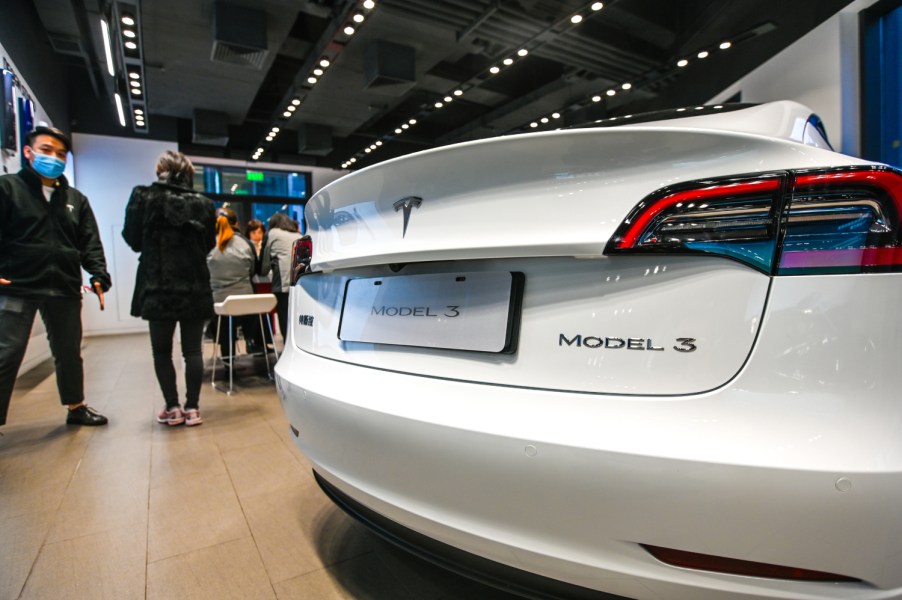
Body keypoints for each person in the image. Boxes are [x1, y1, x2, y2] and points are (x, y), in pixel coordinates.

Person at [0, 126, 111, 427]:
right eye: (46, 150)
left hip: (63, 285)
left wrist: (99, 274)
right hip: (18, 284)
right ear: (28, 151)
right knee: (6, 354)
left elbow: (90, 242)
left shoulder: (75, 199)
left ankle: (76, 407)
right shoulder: (8, 188)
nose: (54, 158)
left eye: (60, 154)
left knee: (68, 352)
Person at [122, 151, 215, 427]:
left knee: (161, 351)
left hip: (157, 284)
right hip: (195, 285)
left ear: (160, 169)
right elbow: (207, 243)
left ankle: (173, 408)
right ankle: (193, 408)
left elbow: (133, 238)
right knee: (193, 351)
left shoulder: (143, 197)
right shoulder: (205, 204)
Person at [207, 208, 265, 359]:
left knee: (223, 321)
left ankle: (228, 361)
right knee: (251, 296)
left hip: (219, 303)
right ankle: (251, 340)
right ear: (237, 223)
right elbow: (253, 271)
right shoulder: (246, 243)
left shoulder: (209, 243)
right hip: (245, 303)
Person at [259, 212, 301, 340]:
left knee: (284, 317)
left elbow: (264, 265)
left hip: (283, 282)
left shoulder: (271, 233)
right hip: (301, 282)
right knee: (297, 318)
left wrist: (262, 271)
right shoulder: (299, 235)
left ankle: (287, 347)